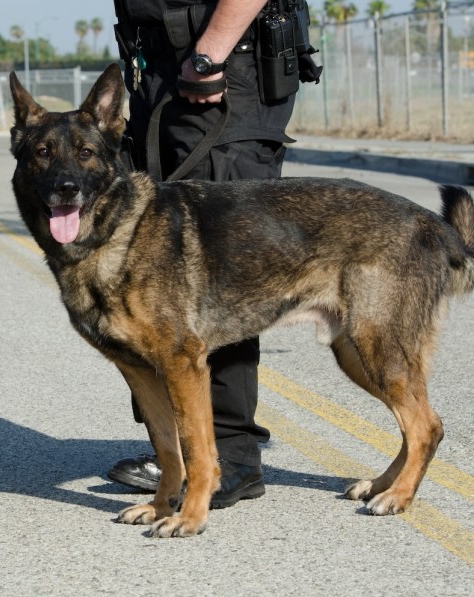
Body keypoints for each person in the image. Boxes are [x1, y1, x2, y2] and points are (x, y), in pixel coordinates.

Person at [108, 0, 319, 508]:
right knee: (160, 282)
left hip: (221, 68)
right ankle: (182, 454)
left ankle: (231, 457)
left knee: (218, 278)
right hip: (161, 72)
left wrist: (208, 56)